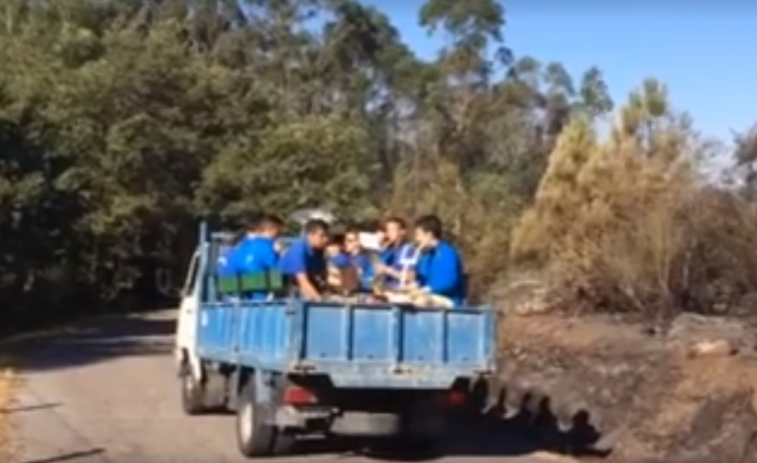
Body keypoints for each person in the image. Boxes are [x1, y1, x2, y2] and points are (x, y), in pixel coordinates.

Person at [412, 214, 465, 306]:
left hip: (449, 299)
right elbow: (421, 280)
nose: (417, 239)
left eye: (418, 235)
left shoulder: (447, 253)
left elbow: (449, 283)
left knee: (421, 301)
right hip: (431, 296)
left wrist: (428, 289)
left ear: (429, 235)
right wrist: (414, 265)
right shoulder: (427, 256)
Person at [279, 218, 330, 300]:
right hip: (285, 291)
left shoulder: (319, 252)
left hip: (300, 288)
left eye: (327, 235)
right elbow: (303, 282)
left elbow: (322, 280)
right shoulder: (298, 249)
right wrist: (320, 302)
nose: (326, 239)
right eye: (322, 236)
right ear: (310, 235)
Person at [376, 217, 417, 290]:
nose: (389, 233)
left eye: (392, 229)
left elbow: (410, 277)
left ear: (402, 232)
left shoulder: (408, 249)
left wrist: (389, 271)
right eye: (387, 230)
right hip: (384, 288)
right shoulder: (387, 249)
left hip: (398, 290)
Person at [344, 227, 374, 291]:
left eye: (349, 241)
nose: (345, 243)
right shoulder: (348, 257)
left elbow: (353, 280)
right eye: (345, 240)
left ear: (358, 242)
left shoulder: (362, 258)